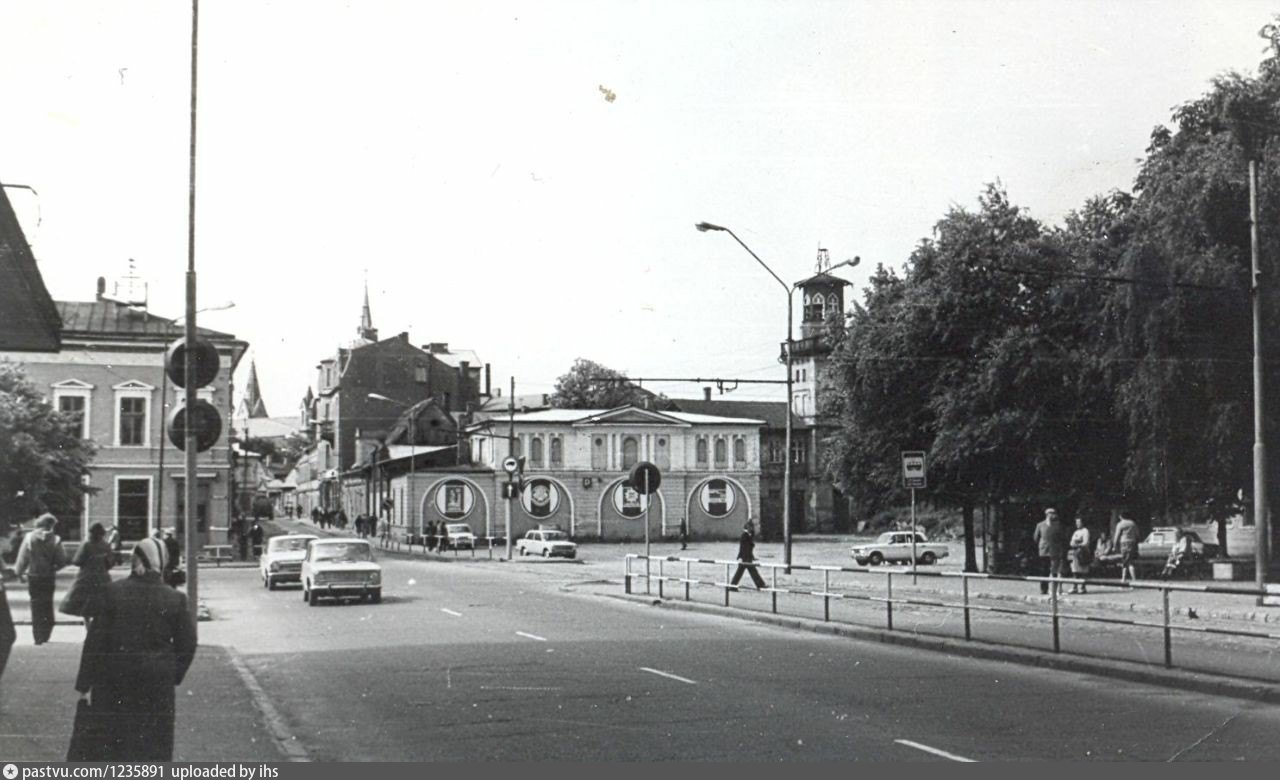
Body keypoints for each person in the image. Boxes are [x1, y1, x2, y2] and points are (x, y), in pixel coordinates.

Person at [74, 538, 197, 761]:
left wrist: (85, 684)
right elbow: (187, 644)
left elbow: (95, 642)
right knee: (154, 743)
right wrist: (172, 673)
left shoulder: (112, 592)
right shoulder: (175, 598)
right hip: (156, 682)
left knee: (115, 744)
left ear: (135, 561)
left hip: (114, 680)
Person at [15, 513, 68, 645]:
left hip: (33, 575)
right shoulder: (56, 540)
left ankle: (37, 635)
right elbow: (62, 561)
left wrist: (19, 574)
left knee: (35, 604)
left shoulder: (29, 538)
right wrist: (54, 567)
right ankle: (46, 631)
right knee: (47, 603)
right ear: (51, 525)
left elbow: (22, 559)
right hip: (48, 576)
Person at [60, 523, 114, 622]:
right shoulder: (105, 545)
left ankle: (88, 625)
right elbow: (110, 563)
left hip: (86, 576)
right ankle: (97, 625)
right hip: (102, 576)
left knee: (85, 604)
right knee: (101, 602)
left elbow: (77, 561)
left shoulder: (86, 544)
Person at [1032, 508, 1067, 596]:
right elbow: (1036, 537)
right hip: (1044, 550)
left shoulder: (1057, 525)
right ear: (1047, 515)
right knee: (1044, 569)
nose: (1053, 515)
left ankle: (1054, 589)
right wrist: (1042, 545)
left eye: (1054, 514)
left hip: (1054, 550)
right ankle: (1044, 589)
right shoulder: (1040, 525)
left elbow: (1061, 537)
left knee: (1054, 570)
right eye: (1051, 514)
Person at [730, 520, 767, 590]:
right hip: (746, 557)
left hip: (746, 557)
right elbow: (745, 548)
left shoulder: (747, 535)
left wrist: (751, 556)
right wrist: (747, 557)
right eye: (751, 527)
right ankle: (760, 585)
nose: (752, 528)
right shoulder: (745, 536)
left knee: (747, 571)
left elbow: (748, 548)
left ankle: (733, 586)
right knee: (748, 571)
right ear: (748, 527)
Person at [1113, 509, 1140, 583]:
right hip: (1132, 543)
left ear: (1121, 516)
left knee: (1125, 561)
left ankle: (1131, 579)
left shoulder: (1120, 524)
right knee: (1129, 561)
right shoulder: (1133, 523)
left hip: (1124, 543)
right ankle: (1124, 579)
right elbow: (1137, 534)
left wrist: (1114, 546)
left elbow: (1117, 536)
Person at [1068, 517, 1093, 594]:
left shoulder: (1085, 531)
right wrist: (1074, 543)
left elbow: (1086, 542)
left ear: (1082, 523)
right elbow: (1071, 542)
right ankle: (1074, 587)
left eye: (1079, 522)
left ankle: (1082, 587)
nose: (1077, 524)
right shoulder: (1076, 532)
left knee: (1083, 571)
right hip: (1076, 553)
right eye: (1076, 522)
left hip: (1083, 553)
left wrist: (1078, 544)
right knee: (1075, 570)